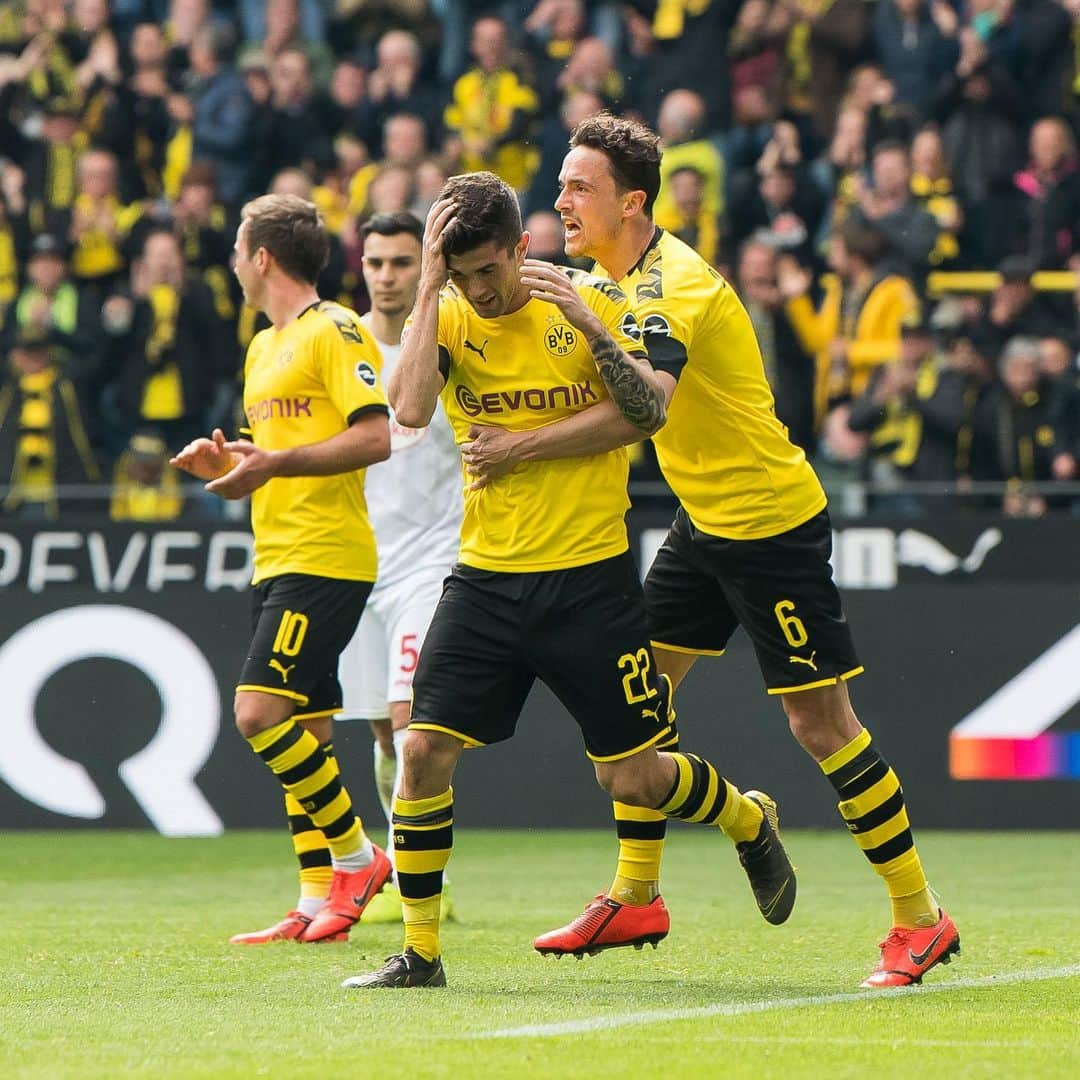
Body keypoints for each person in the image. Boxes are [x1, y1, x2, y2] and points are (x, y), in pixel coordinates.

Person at [463, 113, 959, 989]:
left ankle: (920, 918)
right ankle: (639, 894)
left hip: (769, 524)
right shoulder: (597, 277)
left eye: (579, 186)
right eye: (562, 184)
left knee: (820, 724)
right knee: (633, 716)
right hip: (700, 525)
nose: (561, 200)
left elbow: (648, 400)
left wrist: (574, 333)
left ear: (633, 201)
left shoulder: (674, 285)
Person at [341, 171, 793, 990]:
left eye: (489, 271)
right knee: (423, 752)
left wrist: (525, 442)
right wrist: (432, 285)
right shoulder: (442, 308)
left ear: (522, 248)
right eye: (462, 273)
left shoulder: (582, 301)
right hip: (483, 577)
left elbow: (643, 414)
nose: (479, 290)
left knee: (633, 776)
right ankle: (421, 953)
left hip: (588, 579)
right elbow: (407, 411)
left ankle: (745, 815)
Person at [170, 193, 393, 944]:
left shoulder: (336, 328)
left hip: (326, 557)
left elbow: (373, 437)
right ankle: (312, 898)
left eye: (238, 250)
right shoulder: (264, 345)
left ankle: (359, 860)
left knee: (258, 714)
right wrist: (229, 459)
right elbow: (278, 451)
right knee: (310, 731)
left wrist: (275, 465)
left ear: (261, 256)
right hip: (279, 551)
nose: (233, 263)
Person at [333, 211, 463, 925]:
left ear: (425, 267)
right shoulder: (339, 345)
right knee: (382, 733)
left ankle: (417, 875)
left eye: (401, 263)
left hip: (432, 562)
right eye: (376, 263)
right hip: (360, 562)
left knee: (414, 723)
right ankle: (402, 859)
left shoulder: (448, 339)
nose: (387, 276)